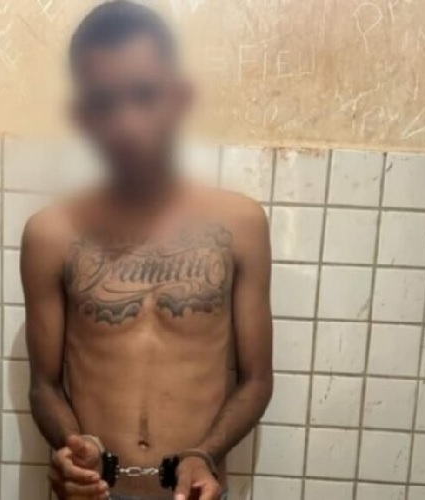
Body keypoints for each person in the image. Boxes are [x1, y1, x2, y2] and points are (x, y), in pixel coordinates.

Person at [21, 2, 273, 499]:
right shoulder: (50, 235)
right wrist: (74, 448)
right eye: (103, 102)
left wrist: (205, 455)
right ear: (82, 115)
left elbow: (257, 379)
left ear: (178, 97)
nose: (126, 122)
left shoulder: (240, 225)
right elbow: (44, 385)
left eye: (144, 94)